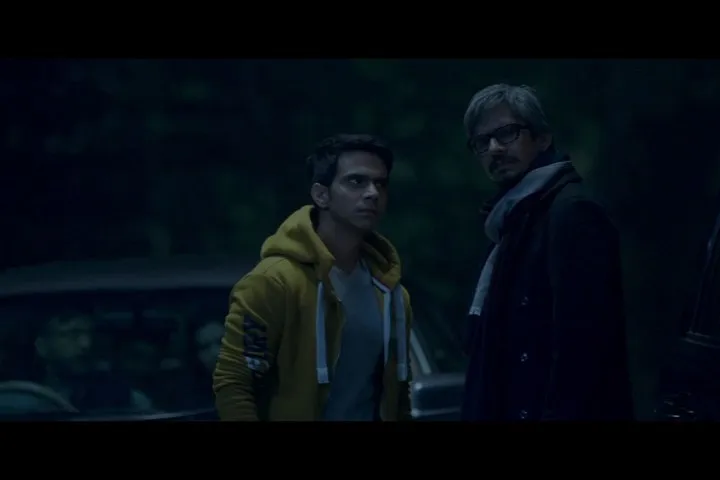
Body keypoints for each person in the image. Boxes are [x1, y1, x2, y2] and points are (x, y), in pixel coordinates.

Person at [460, 84, 634, 421]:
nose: (494, 148)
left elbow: (585, 349)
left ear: (542, 139)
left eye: (506, 134)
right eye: (482, 142)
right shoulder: (510, 222)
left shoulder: (572, 213)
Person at [213, 133, 413, 421]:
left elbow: (398, 395)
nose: (372, 193)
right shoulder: (273, 282)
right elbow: (234, 382)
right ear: (321, 195)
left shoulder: (391, 293)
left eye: (380, 184)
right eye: (356, 181)